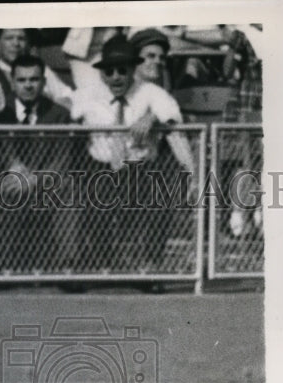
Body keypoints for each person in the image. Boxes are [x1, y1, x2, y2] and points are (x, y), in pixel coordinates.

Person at [70, 34, 195, 272]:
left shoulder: (149, 91)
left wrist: (152, 117)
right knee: (92, 200)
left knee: (160, 194)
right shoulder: (88, 94)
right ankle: (102, 264)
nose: (116, 76)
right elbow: (61, 105)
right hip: (100, 168)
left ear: (132, 69)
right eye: (110, 71)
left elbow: (172, 116)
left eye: (122, 70)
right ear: (101, 73)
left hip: (138, 168)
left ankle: (149, 266)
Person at [0, 55, 73, 274]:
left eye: (34, 79)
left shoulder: (59, 114)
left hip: (45, 182)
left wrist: (34, 179)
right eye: (22, 80)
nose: (28, 85)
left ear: (44, 82)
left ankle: (68, 265)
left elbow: (63, 158)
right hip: (8, 178)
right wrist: (12, 170)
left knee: (69, 188)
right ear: (12, 82)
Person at [0, 28, 74, 116]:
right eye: (9, 38)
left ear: (28, 43)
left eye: (21, 39)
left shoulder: (40, 70)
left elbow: (68, 98)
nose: (16, 43)